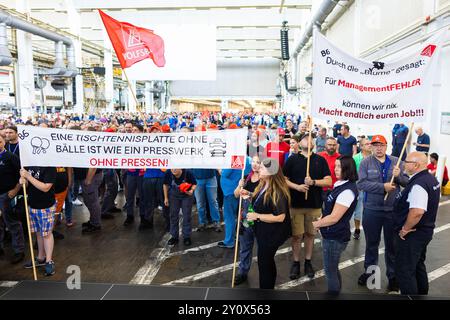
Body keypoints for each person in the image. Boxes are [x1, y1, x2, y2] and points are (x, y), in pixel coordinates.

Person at [357, 134, 409, 292]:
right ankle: (370, 273)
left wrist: (399, 175)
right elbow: (362, 184)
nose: (378, 148)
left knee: (392, 246)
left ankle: (393, 276)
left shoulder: (396, 161)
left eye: (381, 145)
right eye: (375, 145)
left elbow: (407, 182)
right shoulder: (366, 162)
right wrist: (382, 187)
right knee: (371, 245)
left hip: (392, 211)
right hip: (372, 210)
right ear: (371, 147)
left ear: (387, 146)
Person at [283, 132, 332, 279]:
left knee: (310, 235)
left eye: (312, 139)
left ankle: (308, 261)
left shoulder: (320, 160)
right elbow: (284, 180)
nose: (309, 141)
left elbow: (329, 181)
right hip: (296, 205)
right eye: (306, 138)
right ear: (299, 143)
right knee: (297, 236)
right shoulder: (292, 160)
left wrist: (314, 182)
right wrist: (297, 187)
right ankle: (296, 262)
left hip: (314, 205)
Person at [393, 152, 441, 295]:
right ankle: (422, 294)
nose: (403, 164)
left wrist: (405, 229)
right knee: (418, 265)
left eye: (406, 162)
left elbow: (417, 212)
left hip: (413, 234)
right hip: (424, 232)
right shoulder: (430, 179)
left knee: (405, 271)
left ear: (416, 165)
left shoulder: (419, 184)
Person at [312, 156, 359, 295]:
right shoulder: (340, 184)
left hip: (335, 237)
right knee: (333, 269)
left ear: (347, 169)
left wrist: (316, 224)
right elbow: (330, 210)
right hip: (331, 234)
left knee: (330, 271)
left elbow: (334, 217)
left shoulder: (347, 191)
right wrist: (322, 218)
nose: (335, 169)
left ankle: (333, 294)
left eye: (339, 166)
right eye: (336, 166)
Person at [245, 158, 292, 289]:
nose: (259, 168)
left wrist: (257, 216)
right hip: (264, 231)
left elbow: (280, 217)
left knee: (264, 263)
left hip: (272, 234)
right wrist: (249, 194)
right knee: (267, 261)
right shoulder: (264, 184)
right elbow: (263, 200)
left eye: (263, 168)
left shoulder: (278, 191)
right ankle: (268, 288)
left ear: (272, 172)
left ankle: (266, 291)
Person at [20, 166, 57, 276]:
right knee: (38, 232)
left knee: (46, 234)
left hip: (46, 206)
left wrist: (27, 176)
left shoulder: (49, 166)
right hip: (33, 204)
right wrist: (23, 181)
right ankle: (40, 258)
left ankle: (49, 261)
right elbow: (27, 184)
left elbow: (46, 187)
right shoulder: (29, 163)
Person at [233, 155, 261, 285]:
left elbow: (264, 197)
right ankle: (242, 272)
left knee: (262, 249)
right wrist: (239, 187)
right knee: (245, 247)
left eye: (258, 162)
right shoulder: (246, 178)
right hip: (245, 219)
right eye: (253, 162)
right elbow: (235, 194)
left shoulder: (265, 180)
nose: (255, 165)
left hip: (260, 218)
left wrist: (248, 194)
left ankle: (264, 273)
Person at [0, 134, 25, 264]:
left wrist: (15, 190)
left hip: (7, 195)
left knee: (12, 223)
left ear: (4, 142)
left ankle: (19, 250)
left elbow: (21, 176)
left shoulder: (11, 157)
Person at [163, 169, 197, 246]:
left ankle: (187, 237)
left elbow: (195, 184)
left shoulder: (188, 173)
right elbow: (165, 185)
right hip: (173, 196)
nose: (174, 169)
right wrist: (166, 198)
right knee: (173, 215)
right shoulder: (168, 172)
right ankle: (174, 237)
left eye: (176, 167)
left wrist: (191, 190)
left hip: (186, 196)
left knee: (186, 216)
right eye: (172, 167)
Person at [352, 138, 372, 240]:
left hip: (372, 188)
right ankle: (357, 229)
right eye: (367, 144)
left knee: (369, 210)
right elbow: (352, 173)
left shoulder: (375, 158)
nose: (370, 145)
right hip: (359, 187)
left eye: (370, 143)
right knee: (358, 210)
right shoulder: (355, 158)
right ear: (362, 147)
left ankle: (370, 229)